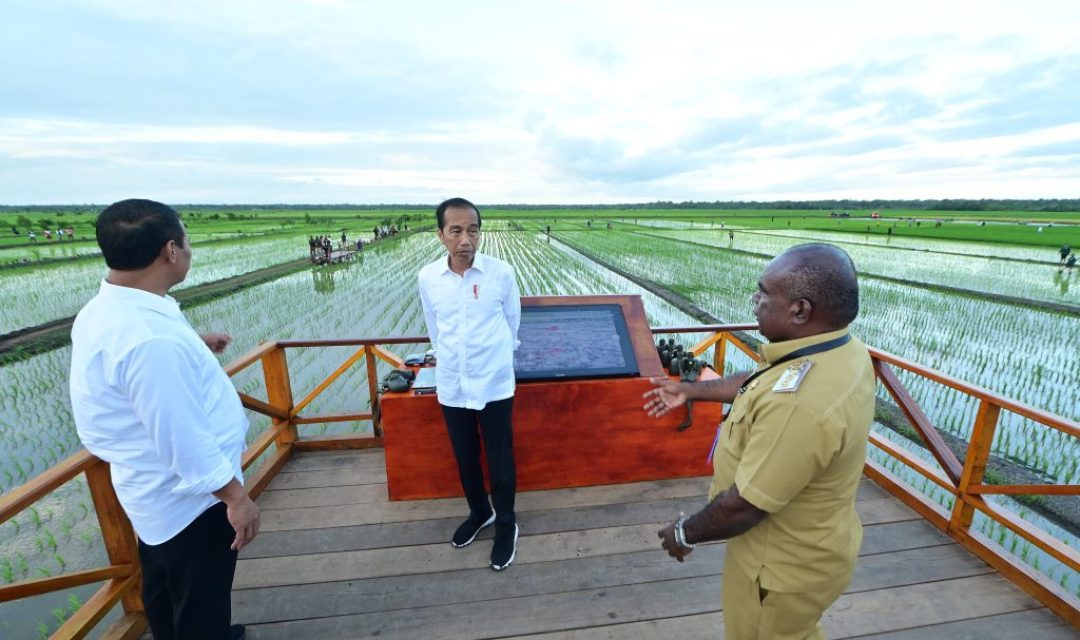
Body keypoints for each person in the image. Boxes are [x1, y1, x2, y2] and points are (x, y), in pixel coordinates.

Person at [642, 243, 874, 640]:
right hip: (817, 548)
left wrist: (684, 533)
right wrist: (691, 391)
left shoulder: (800, 406)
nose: (755, 300)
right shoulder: (837, 350)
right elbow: (756, 385)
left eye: (765, 292)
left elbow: (746, 505)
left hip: (778, 569)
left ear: (800, 310)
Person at [69, 199, 257, 640]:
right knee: (201, 600)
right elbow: (182, 439)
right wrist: (236, 499)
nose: (189, 249)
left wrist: (193, 343)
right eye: (186, 239)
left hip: (151, 493)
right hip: (191, 500)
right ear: (170, 250)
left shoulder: (110, 309)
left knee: (166, 587)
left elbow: (140, 369)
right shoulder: (150, 341)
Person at [418, 197, 522, 571]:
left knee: (500, 460)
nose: (466, 239)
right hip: (452, 384)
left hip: (494, 383)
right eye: (456, 230)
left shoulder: (502, 274)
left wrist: (493, 362)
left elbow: (512, 325)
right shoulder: (428, 277)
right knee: (465, 457)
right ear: (441, 234)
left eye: (473, 230)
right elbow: (434, 327)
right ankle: (480, 512)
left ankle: (506, 524)